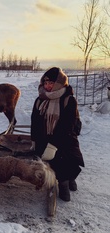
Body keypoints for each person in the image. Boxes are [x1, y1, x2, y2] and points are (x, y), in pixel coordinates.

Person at [30, 67, 84, 201]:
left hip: (65, 137)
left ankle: (66, 182)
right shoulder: (40, 100)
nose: (47, 86)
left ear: (59, 83)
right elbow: (35, 121)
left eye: (51, 83)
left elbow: (67, 125)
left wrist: (53, 145)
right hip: (44, 136)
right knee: (52, 162)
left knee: (67, 159)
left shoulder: (68, 100)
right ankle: (64, 180)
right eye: (45, 83)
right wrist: (34, 140)